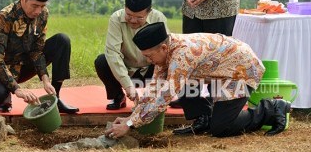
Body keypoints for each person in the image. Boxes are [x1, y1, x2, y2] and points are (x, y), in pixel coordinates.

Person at [105, 22, 292, 139]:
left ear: (162, 47)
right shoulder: (166, 52)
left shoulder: (182, 56)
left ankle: (272, 108)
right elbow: (155, 90)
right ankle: (204, 119)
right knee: (180, 84)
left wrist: (130, 125)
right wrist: (131, 116)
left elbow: (163, 98)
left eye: (148, 55)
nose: (147, 61)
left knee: (222, 128)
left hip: (239, 70)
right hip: (218, 73)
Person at [0, 0, 79, 114]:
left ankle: (55, 97)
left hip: (26, 65)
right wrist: (18, 90)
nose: (38, 11)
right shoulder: (4, 17)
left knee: (62, 40)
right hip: (2, 68)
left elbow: (37, 51)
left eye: (42, 6)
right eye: (34, 6)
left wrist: (45, 80)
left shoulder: (43, 14)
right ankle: (6, 95)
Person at [94, 0, 169, 110]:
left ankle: (158, 97)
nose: (133, 21)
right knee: (102, 61)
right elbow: (113, 53)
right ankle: (118, 96)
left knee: (167, 59)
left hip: (151, 70)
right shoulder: (116, 19)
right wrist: (128, 85)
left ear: (149, 12)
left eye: (139, 17)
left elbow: (166, 50)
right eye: (129, 15)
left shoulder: (158, 18)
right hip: (127, 71)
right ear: (124, 7)